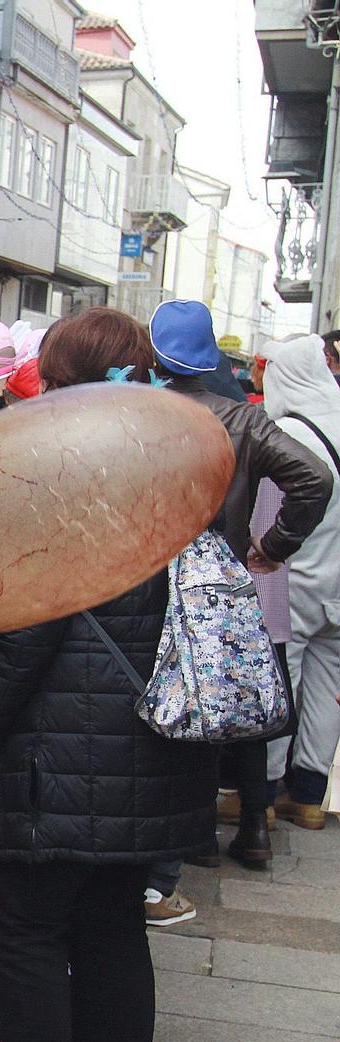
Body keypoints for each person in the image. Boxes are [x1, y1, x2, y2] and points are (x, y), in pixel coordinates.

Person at [0, 307, 216, 1042]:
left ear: (56, 377)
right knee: (113, 935)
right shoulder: (180, 472)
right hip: (148, 751)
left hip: (52, 756)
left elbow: (19, 637)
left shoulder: (51, 474)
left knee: (29, 937)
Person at [151, 299, 331, 874]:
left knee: (162, 708)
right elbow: (313, 478)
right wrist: (272, 547)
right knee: (227, 703)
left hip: (144, 586)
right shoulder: (244, 419)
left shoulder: (133, 411)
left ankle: (189, 839)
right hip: (219, 587)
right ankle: (249, 828)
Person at [258, 335, 340, 832]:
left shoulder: (288, 433)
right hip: (339, 583)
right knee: (328, 684)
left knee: (280, 683)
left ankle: (264, 794)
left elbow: (268, 519)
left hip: (296, 582)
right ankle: (309, 798)